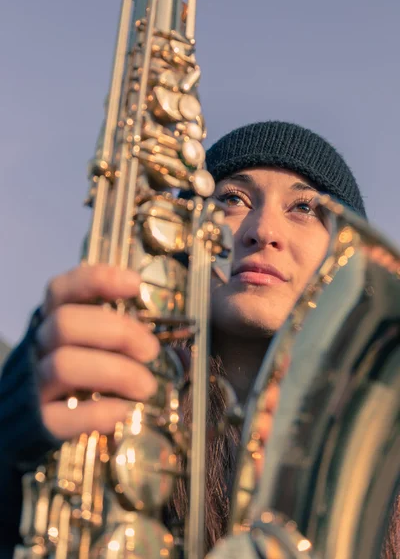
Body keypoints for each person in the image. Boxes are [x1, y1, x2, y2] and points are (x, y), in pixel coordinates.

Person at [3, 120, 395, 557]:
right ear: (180, 240)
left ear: (349, 263)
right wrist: (12, 453)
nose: (262, 231)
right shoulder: (103, 414)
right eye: (232, 199)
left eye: (303, 207)